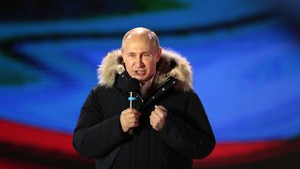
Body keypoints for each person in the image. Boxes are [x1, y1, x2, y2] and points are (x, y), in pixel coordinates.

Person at [73, 27, 215, 169]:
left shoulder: (182, 94)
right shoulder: (101, 93)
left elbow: (204, 147)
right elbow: (82, 144)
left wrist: (169, 127)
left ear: (157, 55)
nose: (138, 63)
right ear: (123, 55)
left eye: (145, 55)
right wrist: (117, 126)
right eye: (132, 55)